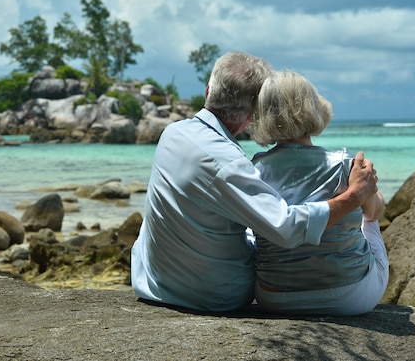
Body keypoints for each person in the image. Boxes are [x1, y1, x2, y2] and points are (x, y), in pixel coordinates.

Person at [130, 51, 378, 312]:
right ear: (254, 112)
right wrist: (353, 197)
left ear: (208, 91)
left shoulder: (173, 133)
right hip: (213, 295)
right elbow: (285, 227)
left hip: (151, 280)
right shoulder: (226, 163)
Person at [248, 70, 389, 316]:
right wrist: (370, 188)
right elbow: (376, 212)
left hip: (273, 296)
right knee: (371, 217)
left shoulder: (252, 171)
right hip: (349, 296)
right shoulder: (346, 165)